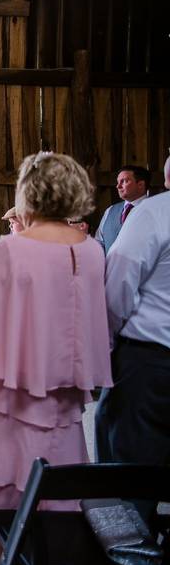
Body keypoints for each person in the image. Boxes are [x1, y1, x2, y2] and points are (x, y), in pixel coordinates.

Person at [0, 152, 111, 561]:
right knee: (55, 498)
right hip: (63, 400)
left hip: (7, 396)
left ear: (28, 192)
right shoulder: (91, 251)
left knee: (5, 498)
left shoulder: (7, 250)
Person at [95, 156, 170, 521]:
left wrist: (107, 343)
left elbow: (120, 285)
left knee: (127, 461)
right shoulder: (118, 213)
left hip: (150, 359)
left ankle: (129, 545)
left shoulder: (154, 213)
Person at [95, 164, 150, 254]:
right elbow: (99, 242)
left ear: (140, 184)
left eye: (124, 181)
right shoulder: (110, 211)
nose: (118, 186)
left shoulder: (155, 211)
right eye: (118, 182)